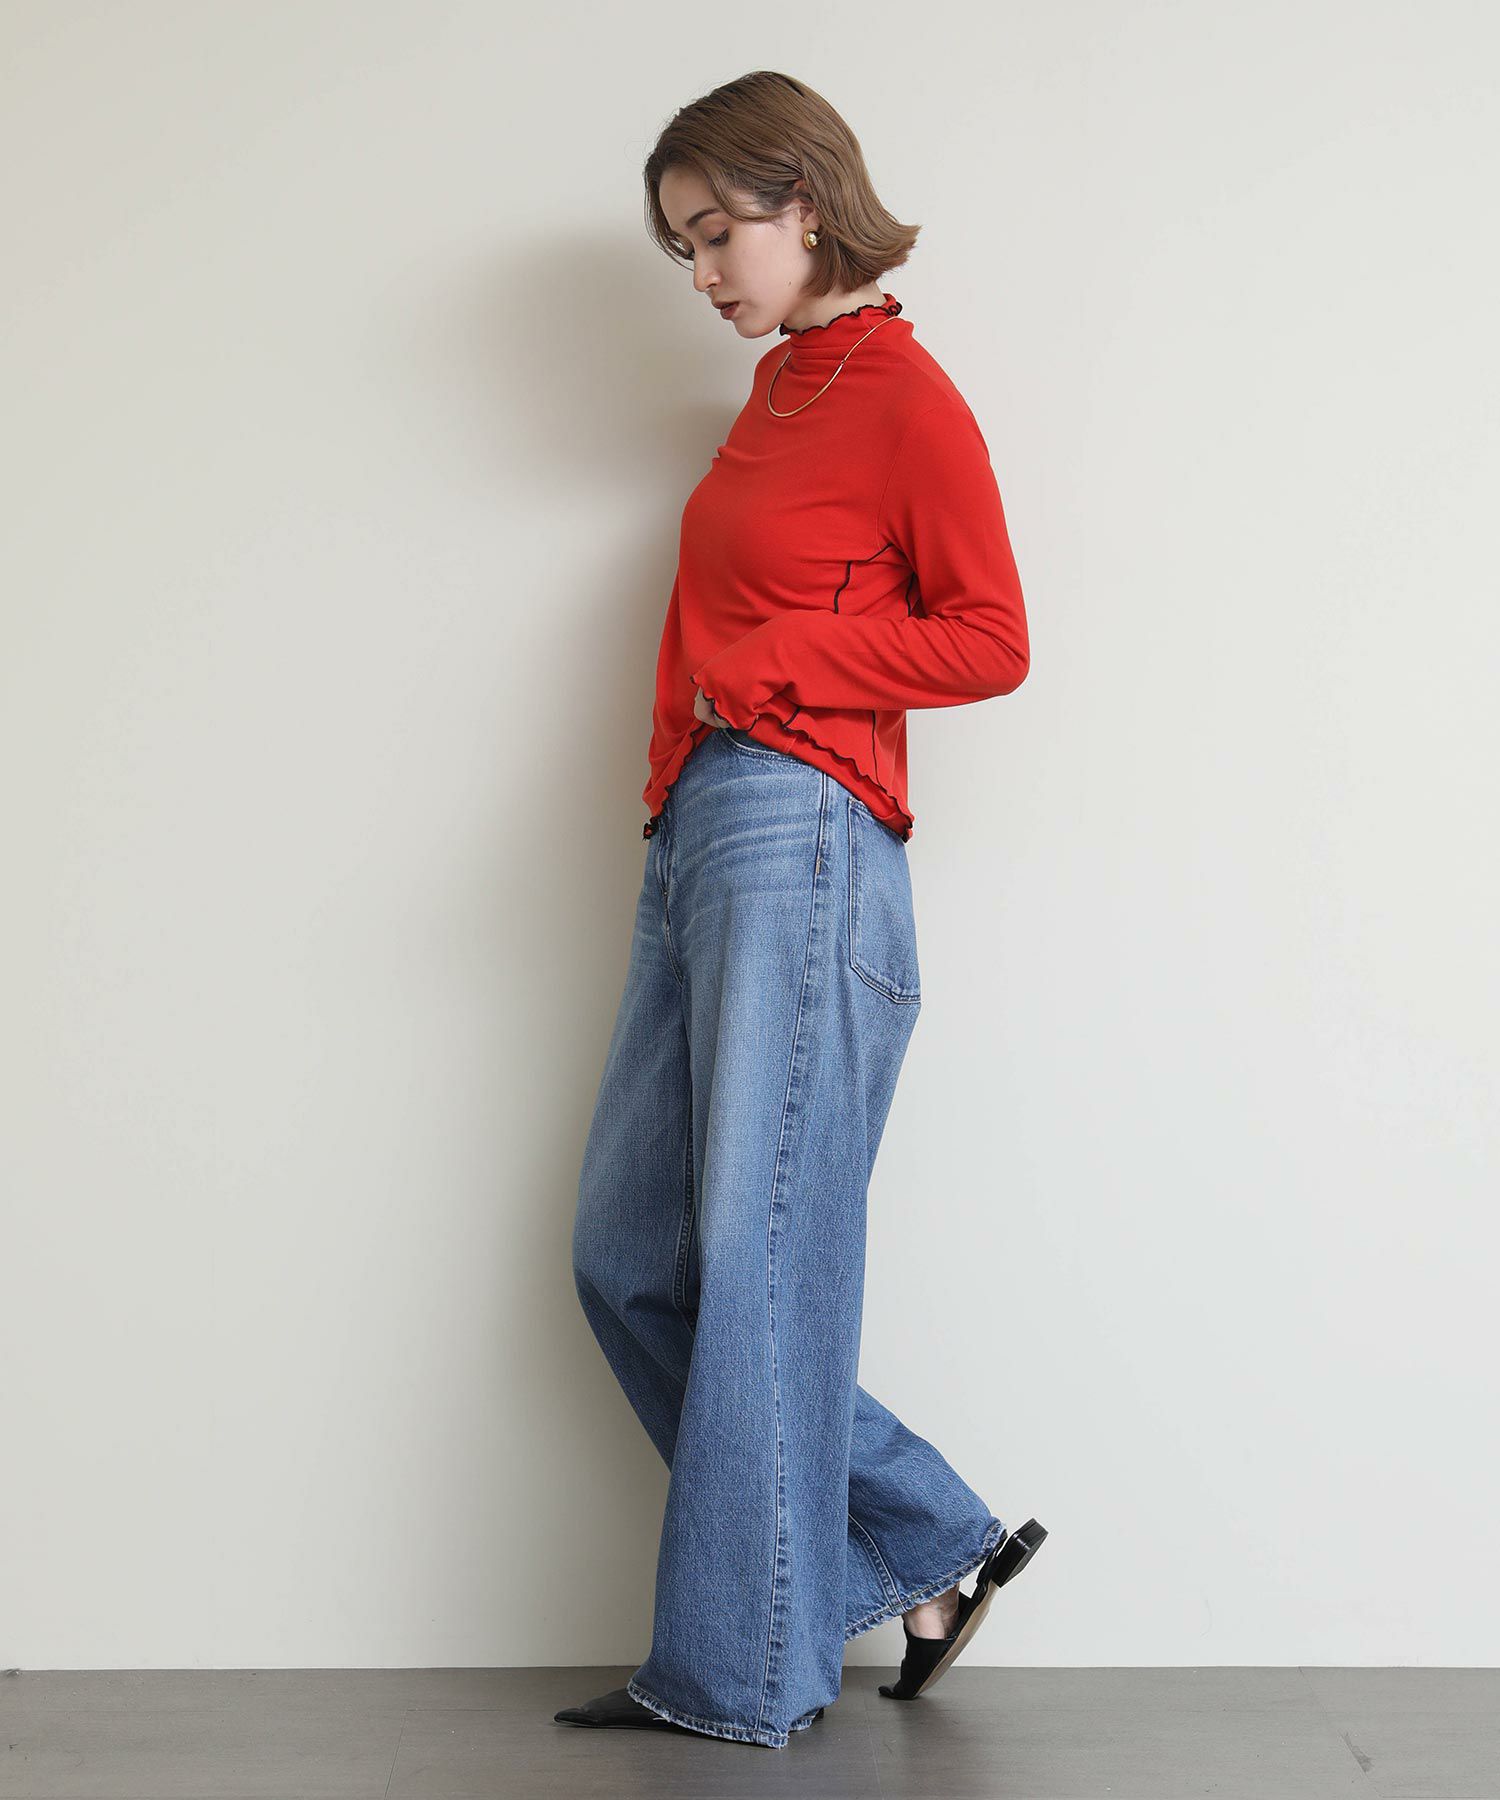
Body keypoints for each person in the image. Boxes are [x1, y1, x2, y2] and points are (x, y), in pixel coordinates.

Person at [556, 71, 1047, 1751]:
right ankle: (920, 1541)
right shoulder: (782, 391)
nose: (702, 273)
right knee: (630, 1254)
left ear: (807, 205)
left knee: (759, 1257)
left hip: (804, 825)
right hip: (699, 832)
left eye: (718, 234)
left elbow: (990, 636)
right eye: (682, 246)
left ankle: (739, 1670)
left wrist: (778, 663)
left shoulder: (902, 392)